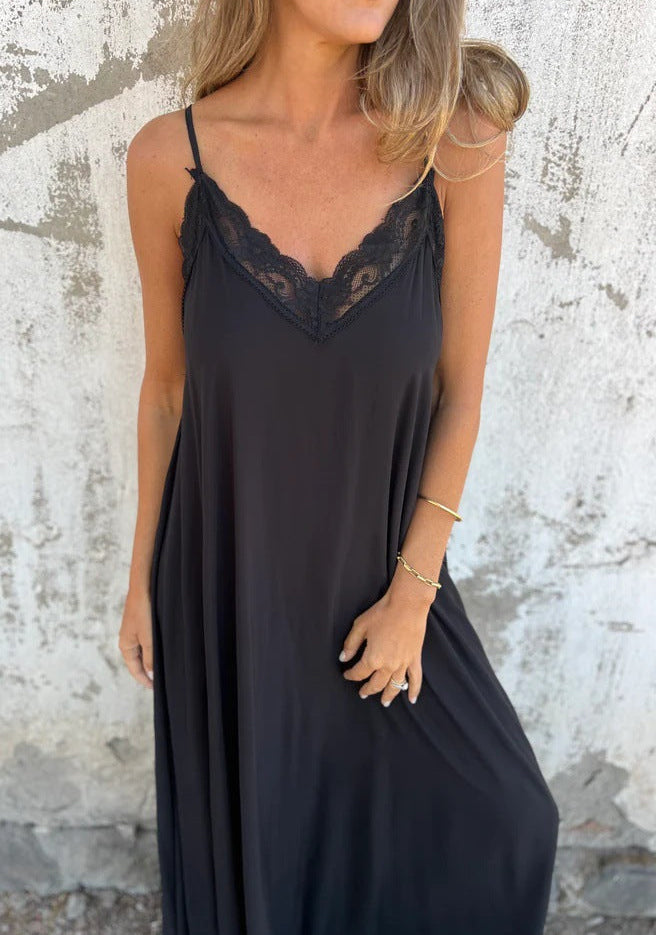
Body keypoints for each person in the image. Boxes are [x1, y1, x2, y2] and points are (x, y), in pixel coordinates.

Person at [120, 1, 560, 932]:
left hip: (382, 593)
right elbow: (167, 393)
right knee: (268, 866)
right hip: (228, 590)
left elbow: (460, 394)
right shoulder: (169, 157)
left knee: (508, 820)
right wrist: (141, 582)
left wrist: (412, 596)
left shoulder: (456, 140)